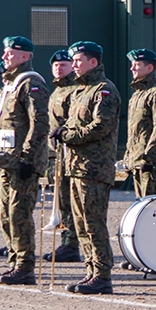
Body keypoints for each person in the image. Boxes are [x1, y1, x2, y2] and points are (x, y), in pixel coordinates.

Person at [50, 41, 120, 295]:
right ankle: (91, 271)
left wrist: (69, 135)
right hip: (76, 166)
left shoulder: (104, 90)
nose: (74, 65)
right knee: (80, 223)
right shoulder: (80, 91)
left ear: (93, 62)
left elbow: (101, 126)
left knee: (93, 222)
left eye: (78, 60)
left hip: (94, 167)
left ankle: (102, 274)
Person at [0, 36, 50, 286]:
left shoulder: (31, 83)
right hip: (7, 160)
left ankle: (25, 267)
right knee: (6, 214)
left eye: (11, 53)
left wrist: (28, 156)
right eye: (5, 52)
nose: (5, 57)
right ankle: (14, 262)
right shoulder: (10, 84)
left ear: (25, 56)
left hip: (23, 161)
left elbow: (40, 123)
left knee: (19, 214)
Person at [42, 50, 82, 263]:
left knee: (68, 200)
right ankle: (67, 241)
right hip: (54, 153)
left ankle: (70, 244)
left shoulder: (74, 90)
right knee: (60, 200)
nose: (59, 67)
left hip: (68, 153)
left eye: (64, 64)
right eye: (55, 65)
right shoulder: (57, 91)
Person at [122, 49, 156, 198]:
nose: (132, 68)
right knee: (141, 206)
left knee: (153, 210)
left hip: (152, 164)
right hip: (138, 162)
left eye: (136, 64)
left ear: (149, 68)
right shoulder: (138, 94)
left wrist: (149, 157)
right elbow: (135, 131)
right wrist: (129, 157)